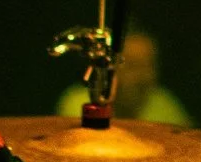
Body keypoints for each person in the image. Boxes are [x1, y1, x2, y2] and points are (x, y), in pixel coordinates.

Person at [52, 28, 191, 125]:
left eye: (149, 66)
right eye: (133, 66)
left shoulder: (165, 105)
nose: (143, 77)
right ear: (110, 68)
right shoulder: (77, 104)